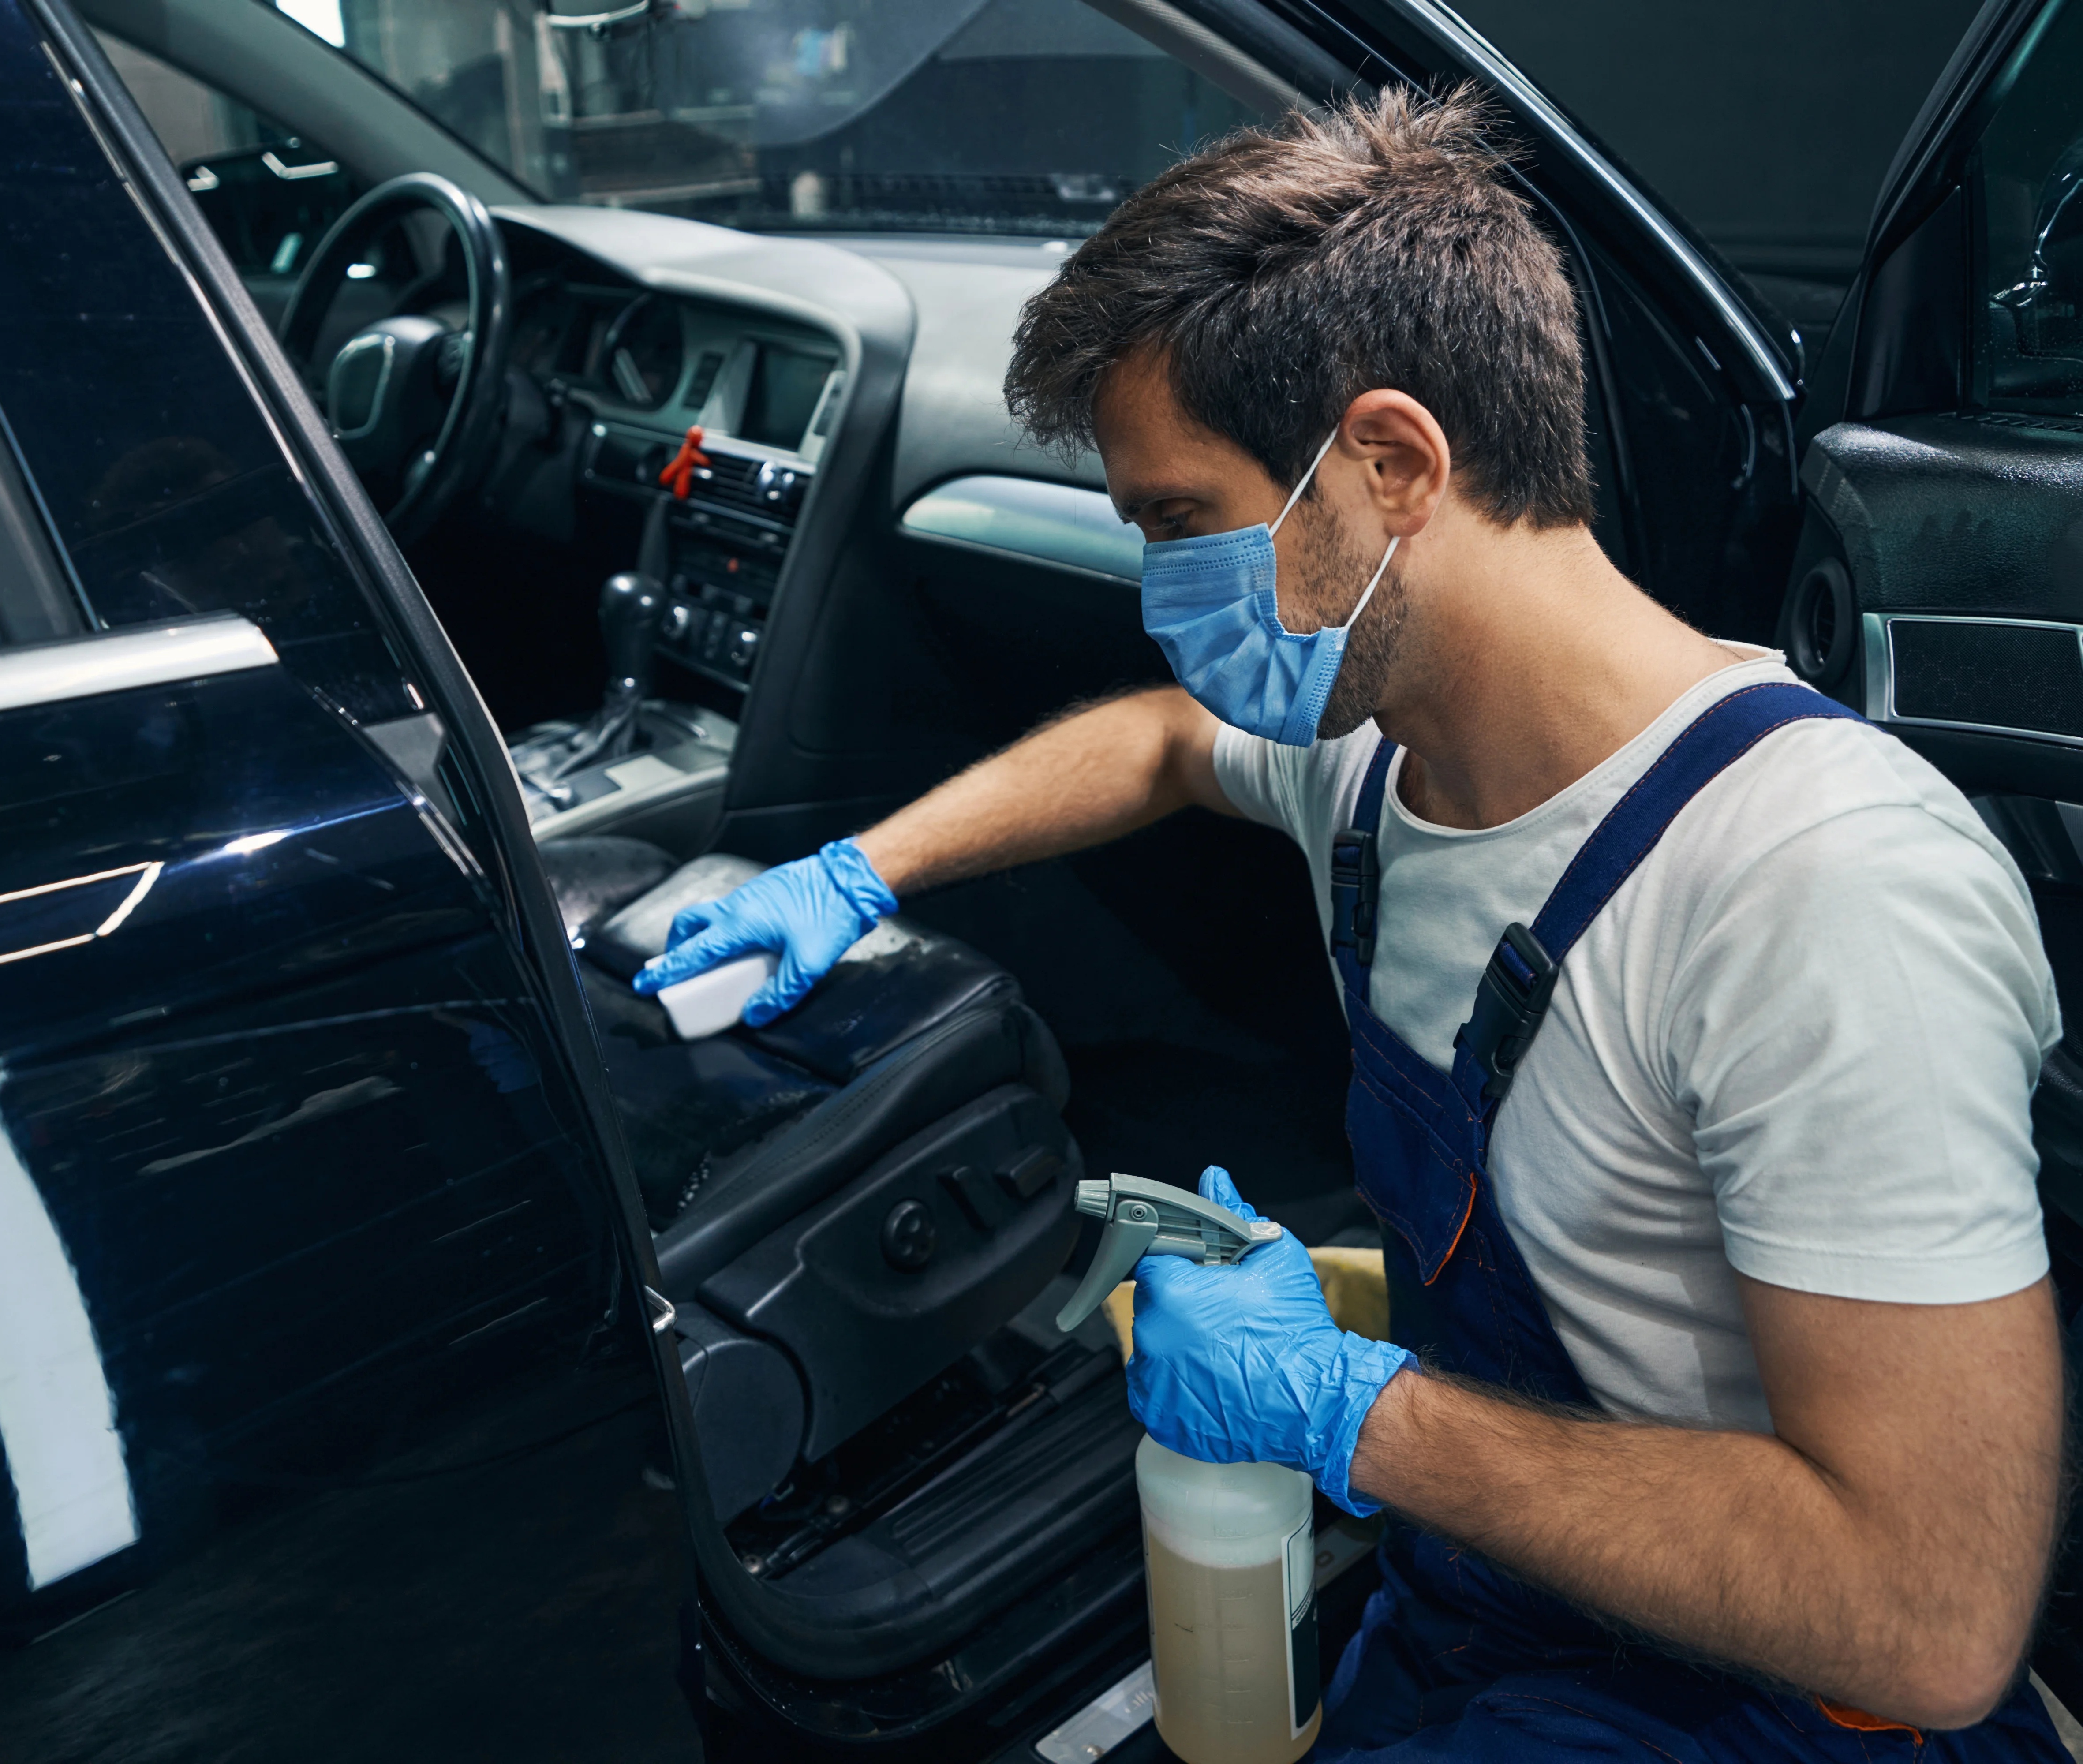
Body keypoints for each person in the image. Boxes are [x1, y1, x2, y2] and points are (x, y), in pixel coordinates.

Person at [634, 86, 2069, 1756]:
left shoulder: (1816, 890)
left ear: (1388, 465)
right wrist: (863, 872)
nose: (1166, 592)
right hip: (1494, 1600)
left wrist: (1347, 1407)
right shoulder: (1383, 765)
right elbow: (1163, 746)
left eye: (1178, 519)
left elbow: (1928, 1618)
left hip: (1767, 1705)